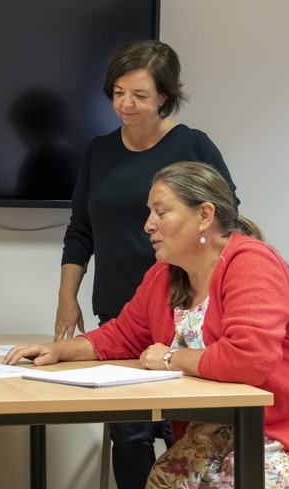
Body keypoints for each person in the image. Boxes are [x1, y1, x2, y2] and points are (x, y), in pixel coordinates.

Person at [6, 161, 289, 488]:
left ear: (204, 215)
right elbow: (122, 335)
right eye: (149, 212)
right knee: (166, 477)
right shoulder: (165, 276)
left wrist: (171, 358)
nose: (148, 224)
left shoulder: (251, 262)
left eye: (161, 211)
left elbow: (249, 359)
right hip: (223, 430)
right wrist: (57, 350)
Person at [54, 39, 238, 488]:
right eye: (118, 92)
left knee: (192, 424)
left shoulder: (192, 144)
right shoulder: (99, 151)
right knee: (131, 432)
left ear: (164, 96)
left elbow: (225, 221)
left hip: (183, 309)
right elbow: (81, 230)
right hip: (121, 310)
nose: (126, 104)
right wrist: (66, 296)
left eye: (139, 94)